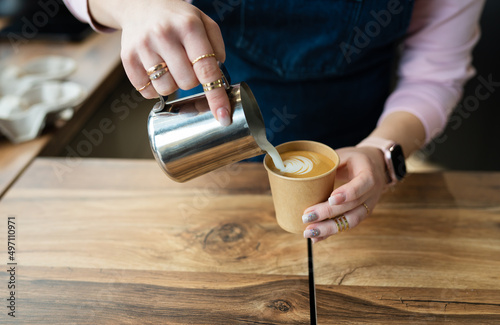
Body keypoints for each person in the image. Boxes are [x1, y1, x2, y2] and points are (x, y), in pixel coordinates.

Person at [63, 0, 485, 243]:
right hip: (209, 157)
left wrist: (382, 152)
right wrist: (134, 7)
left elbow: (435, 74)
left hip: (354, 175)